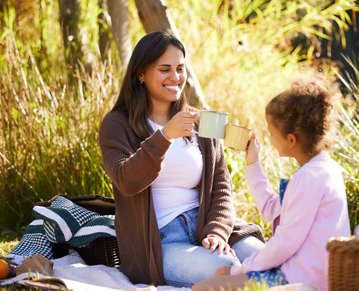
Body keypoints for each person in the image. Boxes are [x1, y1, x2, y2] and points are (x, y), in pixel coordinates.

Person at [98, 31, 264, 287]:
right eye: (165, 69)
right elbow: (126, 181)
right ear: (141, 74)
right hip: (160, 241)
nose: (175, 77)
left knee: (265, 260)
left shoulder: (200, 122)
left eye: (180, 68)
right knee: (229, 272)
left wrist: (217, 231)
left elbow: (221, 187)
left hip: (206, 228)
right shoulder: (117, 125)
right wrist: (164, 137)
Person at [193, 79, 351, 291]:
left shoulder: (308, 178)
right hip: (310, 274)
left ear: (291, 140)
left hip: (301, 280)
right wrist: (253, 163)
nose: (269, 137)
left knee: (203, 289)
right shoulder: (324, 169)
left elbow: (284, 244)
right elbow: (270, 210)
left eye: (271, 132)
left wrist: (237, 271)